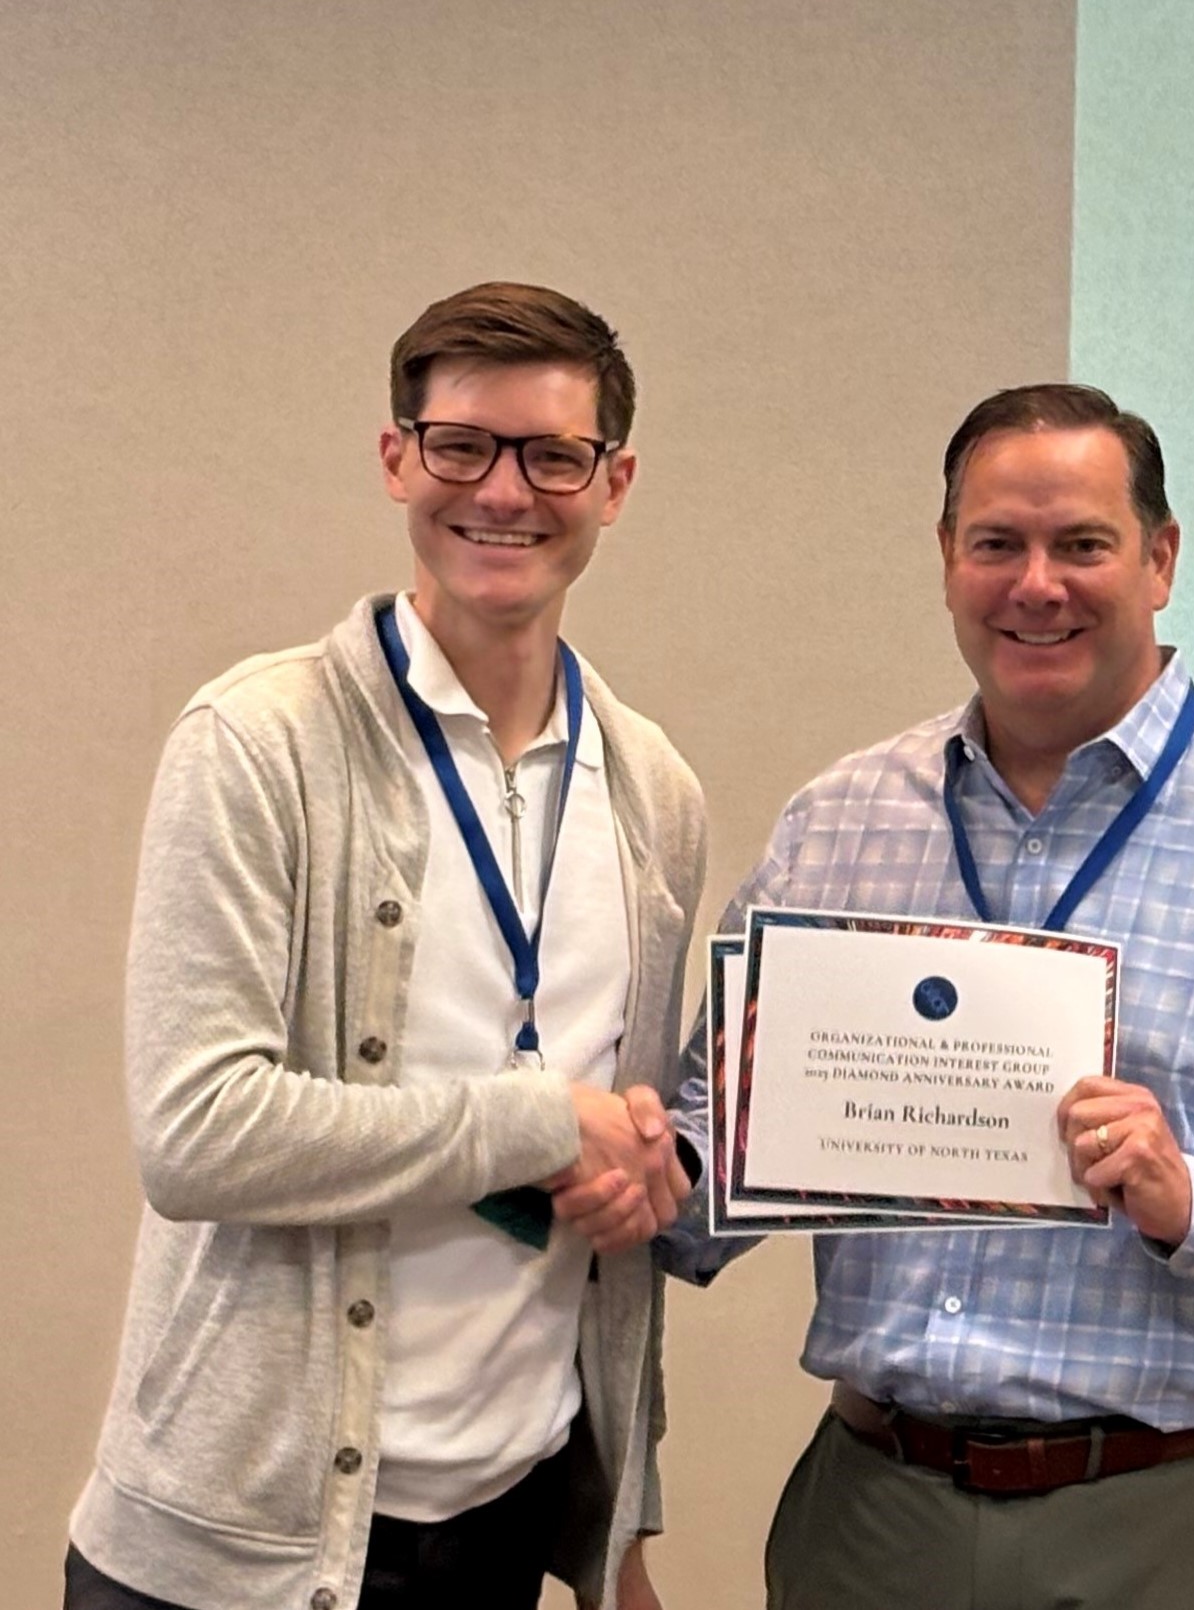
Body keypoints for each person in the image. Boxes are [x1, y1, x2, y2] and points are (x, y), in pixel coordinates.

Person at [663, 383, 1194, 1610]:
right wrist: (637, 1163)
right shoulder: (840, 819)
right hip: (873, 1516)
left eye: (1083, 544)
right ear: (948, 558)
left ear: (1161, 559)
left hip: (1171, 1519)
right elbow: (722, 1136)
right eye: (996, 543)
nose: (1037, 584)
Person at [68, 283, 709, 1610]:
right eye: (462, 442)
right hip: (235, 1555)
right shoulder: (259, 742)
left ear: (616, 481)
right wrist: (538, 1126)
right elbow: (197, 1134)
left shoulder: (655, 796)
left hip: (498, 1533)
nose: (505, 490)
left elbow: (609, 1214)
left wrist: (617, 1531)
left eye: (554, 454)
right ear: (397, 456)